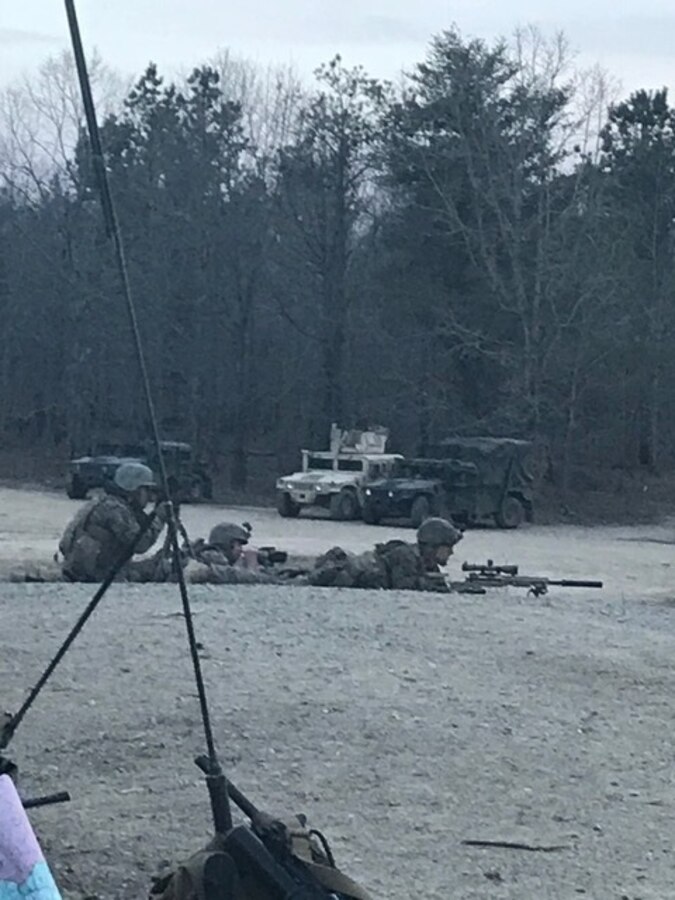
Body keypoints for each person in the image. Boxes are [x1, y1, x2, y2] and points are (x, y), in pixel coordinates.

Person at [58, 462, 170, 583]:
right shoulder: (115, 510)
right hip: (96, 577)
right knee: (161, 569)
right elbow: (140, 544)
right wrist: (159, 518)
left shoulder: (104, 502)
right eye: (147, 491)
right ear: (134, 490)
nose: (150, 498)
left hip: (82, 571)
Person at [308, 516, 463, 592]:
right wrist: (429, 585)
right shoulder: (406, 555)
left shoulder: (420, 559)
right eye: (447, 547)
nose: (451, 552)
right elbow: (402, 584)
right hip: (346, 572)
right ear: (433, 546)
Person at [186, 522, 280, 585]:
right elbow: (237, 576)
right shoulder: (214, 557)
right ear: (228, 544)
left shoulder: (208, 554)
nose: (240, 550)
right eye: (238, 545)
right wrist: (252, 565)